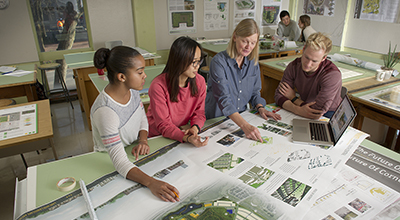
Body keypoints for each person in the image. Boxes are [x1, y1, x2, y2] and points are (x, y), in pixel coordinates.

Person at [91, 46, 179, 202]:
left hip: (131, 151)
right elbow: (119, 163)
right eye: (139, 72)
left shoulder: (132, 92)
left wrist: (143, 140)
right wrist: (152, 183)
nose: (144, 75)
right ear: (122, 77)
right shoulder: (105, 111)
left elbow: (142, 119)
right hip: (109, 159)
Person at [205, 18, 281, 142]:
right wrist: (245, 125)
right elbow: (224, 100)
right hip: (218, 120)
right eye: (245, 41)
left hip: (241, 119)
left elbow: (255, 92)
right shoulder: (219, 62)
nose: (248, 47)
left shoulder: (253, 63)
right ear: (235, 37)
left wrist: (261, 107)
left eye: (253, 43)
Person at [146, 36, 209, 147]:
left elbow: (199, 113)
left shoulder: (200, 81)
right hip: (157, 137)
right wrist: (187, 138)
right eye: (194, 62)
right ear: (179, 60)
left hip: (179, 133)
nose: (198, 66)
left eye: (199, 61)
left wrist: (194, 128)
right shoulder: (158, 86)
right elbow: (163, 125)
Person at [274, 32, 342, 119]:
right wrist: (297, 109)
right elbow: (279, 96)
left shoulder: (332, 75)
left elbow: (317, 111)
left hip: (330, 113)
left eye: (314, 61)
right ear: (304, 49)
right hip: (302, 107)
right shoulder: (294, 66)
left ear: (324, 58)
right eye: (306, 57)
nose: (308, 64)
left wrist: (294, 98)